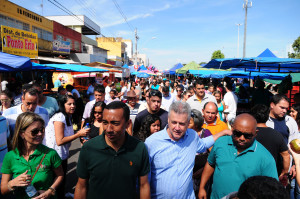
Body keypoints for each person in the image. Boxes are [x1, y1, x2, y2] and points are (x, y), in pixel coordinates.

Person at [145, 101, 231, 199]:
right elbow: (143, 181)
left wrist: (222, 133)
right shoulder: (152, 143)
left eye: (182, 124)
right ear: (168, 120)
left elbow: (203, 144)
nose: (177, 128)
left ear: (188, 122)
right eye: (174, 122)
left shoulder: (192, 136)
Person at [74, 101, 150, 199]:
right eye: (105, 122)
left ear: (128, 124)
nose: (109, 129)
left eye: (115, 123)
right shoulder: (89, 148)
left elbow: (144, 186)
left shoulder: (139, 148)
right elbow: (81, 186)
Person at [199, 114, 278, 199]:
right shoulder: (220, 143)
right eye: (237, 133)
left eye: (247, 135)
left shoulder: (265, 158)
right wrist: (202, 187)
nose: (242, 138)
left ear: (255, 133)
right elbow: (210, 163)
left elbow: (272, 190)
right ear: (232, 129)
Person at [1, 112, 64, 199]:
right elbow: (3, 190)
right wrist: (13, 183)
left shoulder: (50, 153)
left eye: (42, 130)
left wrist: (50, 191)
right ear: (21, 133)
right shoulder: (10, 156)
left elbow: (60, 175)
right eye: (34, 131)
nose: (40, 134)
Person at [43, 94, 90, 199]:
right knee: (57, 181)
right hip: (54, 155)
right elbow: (60, 141)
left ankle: (62, 195)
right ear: (62, 105)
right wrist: (79, 134)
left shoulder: (67, 116)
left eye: (74, 103)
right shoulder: (60, 117)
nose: (73, 106)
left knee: (61, 180)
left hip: (61, 155)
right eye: (69, 104)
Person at [250, 104, 290, 177]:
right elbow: (286, 155)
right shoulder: (277, 135)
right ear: (267, 116)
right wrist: (284, 172)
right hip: (271, 174)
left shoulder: (248, 134)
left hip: (251, 173)